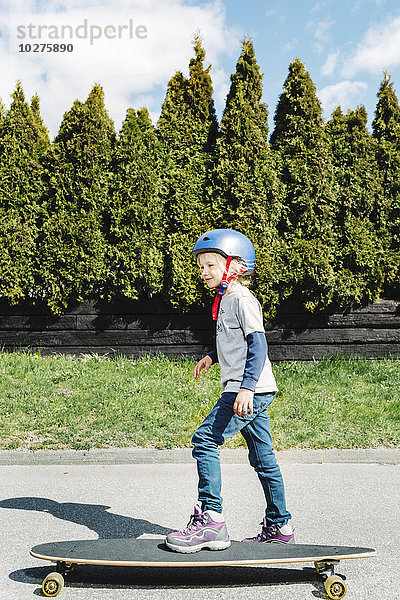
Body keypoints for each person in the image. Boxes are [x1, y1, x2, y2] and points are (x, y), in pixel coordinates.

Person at [165, 229, 293, 553]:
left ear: (234, 265)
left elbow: (258, 345)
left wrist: (247, 389)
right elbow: (233, 342)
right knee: (264, 459)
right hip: (250, 389)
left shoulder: (242, 300)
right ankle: (280, 524)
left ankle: (212, 520)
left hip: (247, 391)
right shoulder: (225, 301)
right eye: (201, 267)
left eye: (210, 265)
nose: (204, 272)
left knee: (204, 438)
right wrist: (212, 355)